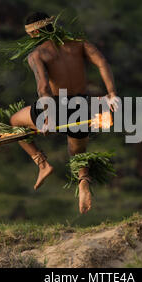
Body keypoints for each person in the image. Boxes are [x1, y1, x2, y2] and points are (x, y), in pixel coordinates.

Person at [9, 12, 118, 214]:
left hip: (57, 106)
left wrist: (48, 117)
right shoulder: (79, 43)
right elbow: (102, 62)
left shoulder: (37, 54)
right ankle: (83, 181)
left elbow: (43, 89)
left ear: (36, 33)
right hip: (83, 106)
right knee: (77, 153)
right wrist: (111, 94)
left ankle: (42, 164)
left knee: (15, 121)